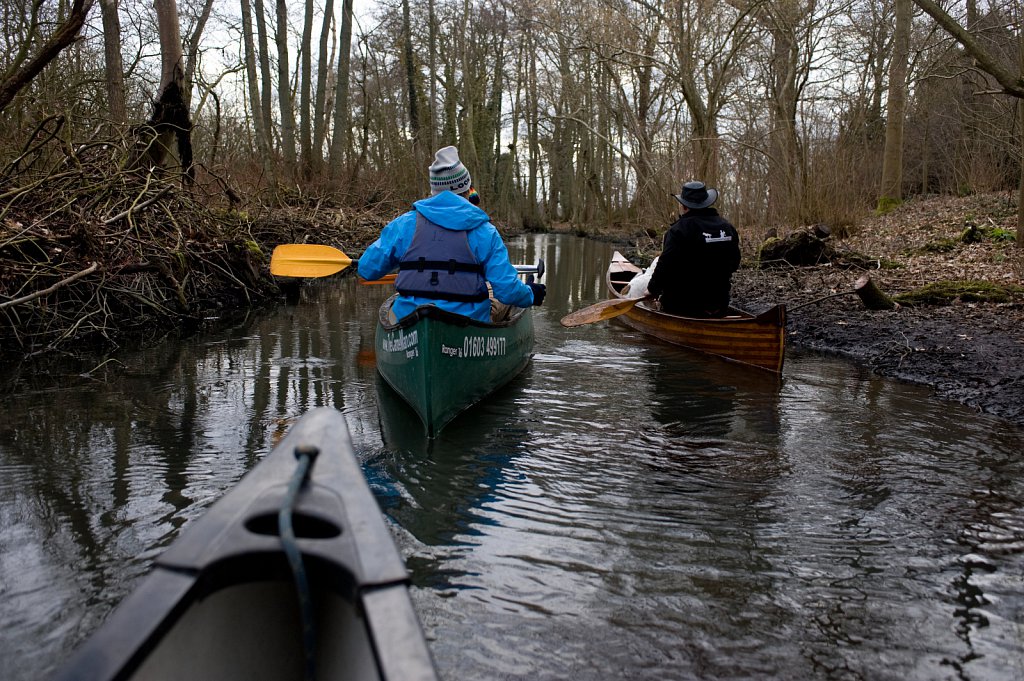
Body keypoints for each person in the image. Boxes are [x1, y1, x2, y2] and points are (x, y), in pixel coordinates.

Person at [357, 145, 545, 323]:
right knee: (500, 297)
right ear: (466, 189)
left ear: (433, 190)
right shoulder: (485, 231)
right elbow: (507, 290)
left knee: (397, 305)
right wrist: (530, 293)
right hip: (468, 322)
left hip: (409, 317)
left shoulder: (404, 224)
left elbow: (366, 270)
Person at [647, 180, 740, 317]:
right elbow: (735, 263)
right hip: (719, 304)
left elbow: (665, 266)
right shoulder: (727, 227)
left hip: (684, 307)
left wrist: (651, 289)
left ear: (684, 206)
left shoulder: (678, 230)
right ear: (707, 202)